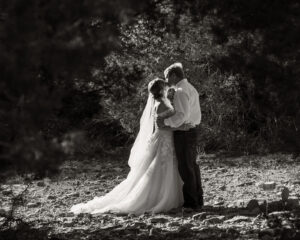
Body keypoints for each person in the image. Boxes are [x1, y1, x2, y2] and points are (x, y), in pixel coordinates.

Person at [70, 78, 192, 215]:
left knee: (161, 167)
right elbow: (162, 125)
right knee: (162, 167)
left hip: (163, 138)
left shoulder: (160, 102)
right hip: (164, 139)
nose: (168, 88)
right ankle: (159, 198)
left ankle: (164, 196)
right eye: (166, 87)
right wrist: (182, 126)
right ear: (162, 89)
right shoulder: (163, 104)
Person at [157, 62, 203, 209]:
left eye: (167, 77)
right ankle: (198, 199)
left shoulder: (181, 91)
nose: (166, 81)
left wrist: (166, 122)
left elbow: (181, 116)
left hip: (184, 133)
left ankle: (191, 202)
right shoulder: (191, 88)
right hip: (192, 130)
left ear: (174, 75)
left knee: (185, 167)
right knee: (193, 166)